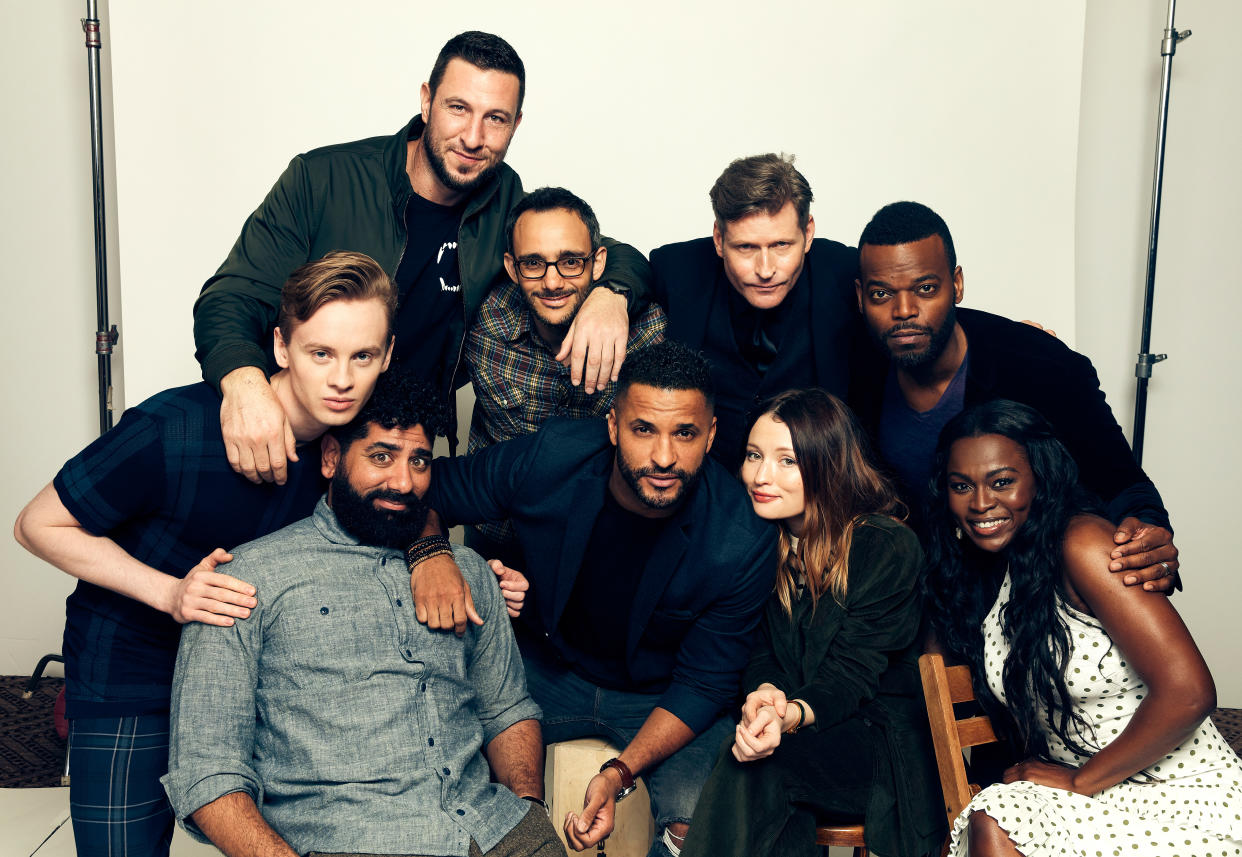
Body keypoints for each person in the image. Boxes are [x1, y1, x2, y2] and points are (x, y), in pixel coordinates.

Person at [12, 251, 396, 857]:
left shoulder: (350, 446)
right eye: (320, 353)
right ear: (280, 346)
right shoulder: (174, 427)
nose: (342, 379)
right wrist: (169, 591)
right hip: (133, 677)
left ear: (387, 356)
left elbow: (409, 507)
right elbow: (37, 524)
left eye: (363, 356)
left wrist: (451, 564)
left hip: (254, 684)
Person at [194, 30, 652, 486]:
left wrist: (611, 295)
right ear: (427, 100)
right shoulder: (323, 179)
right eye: (459, 108)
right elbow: (232, 295)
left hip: (398, 461)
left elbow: (597, 252)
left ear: (516, 124)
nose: (473, 137)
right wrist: (243, 384)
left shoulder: (505, 202)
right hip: (293, 434)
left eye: (496, 118)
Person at [161, 373, 562, 857]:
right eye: (381, 456)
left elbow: (507, 709)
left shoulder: (468, 574)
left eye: (419, 461)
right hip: (345, 840)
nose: (403, 481)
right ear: (331, 458)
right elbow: (207, 770)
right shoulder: (245, 580)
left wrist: (529, 808)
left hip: (496, 828)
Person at [420, 339, 779, 856]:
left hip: (660, 696)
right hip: (544, 671)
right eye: (643, 429)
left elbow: (704, 682)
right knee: (445, 768)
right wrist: (433, 555)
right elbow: (430, 489)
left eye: (685, 434)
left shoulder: (740, 537)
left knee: (705, 822)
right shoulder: (552, 458)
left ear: (711, 435)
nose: (663, 457)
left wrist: (617, 773)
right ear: (612, 425)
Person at [923, 400, 1241, 857]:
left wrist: (1079, 780)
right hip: (1088, 794)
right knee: (995, 816)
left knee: (997, 818)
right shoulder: (992, 580)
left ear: (1040, 479)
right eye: (960, 486)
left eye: (1002, 482)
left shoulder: (1082, 542)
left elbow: (1188, 691)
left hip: (1182, 794)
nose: (980, 503)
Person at [850, 200, 1180, 590]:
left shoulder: (1038, 366)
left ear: (956, 285)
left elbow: (1124, 483)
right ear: (860, 297)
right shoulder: (857, 371)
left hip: (1033, 591)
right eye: (881, 294)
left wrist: (1147, 532)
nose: (904, 310)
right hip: (928, 598)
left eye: (925, 288)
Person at [680, 388, 945, 857]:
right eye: (754, 455)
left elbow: (851, 677)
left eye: (788, 461)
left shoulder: (883, 545)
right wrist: (764, 696)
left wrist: (790, 716)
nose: (761, 476)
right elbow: (761, 653)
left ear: (828, 466)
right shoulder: (762, 545)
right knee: (759, 758)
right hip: (804, 735)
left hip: (880, 749)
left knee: (761, 762)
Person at [465, 186, 666, 565]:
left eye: (571, 261)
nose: (553, 282)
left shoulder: (648, 335)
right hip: (496, 537)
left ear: (599, 261)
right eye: (533, 264)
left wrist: (615, 297)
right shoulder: (485, 323)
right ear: (512, 267)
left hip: (596, 544)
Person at [650, 153, 858, 471]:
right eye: (746, 247)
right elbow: (615, 260)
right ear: (719, 239)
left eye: (781, 245)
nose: (765, 270)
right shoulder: (676, 268)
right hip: (706, 494)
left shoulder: (846, 272)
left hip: (816, 489)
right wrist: (610, 297)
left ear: (808, 232)